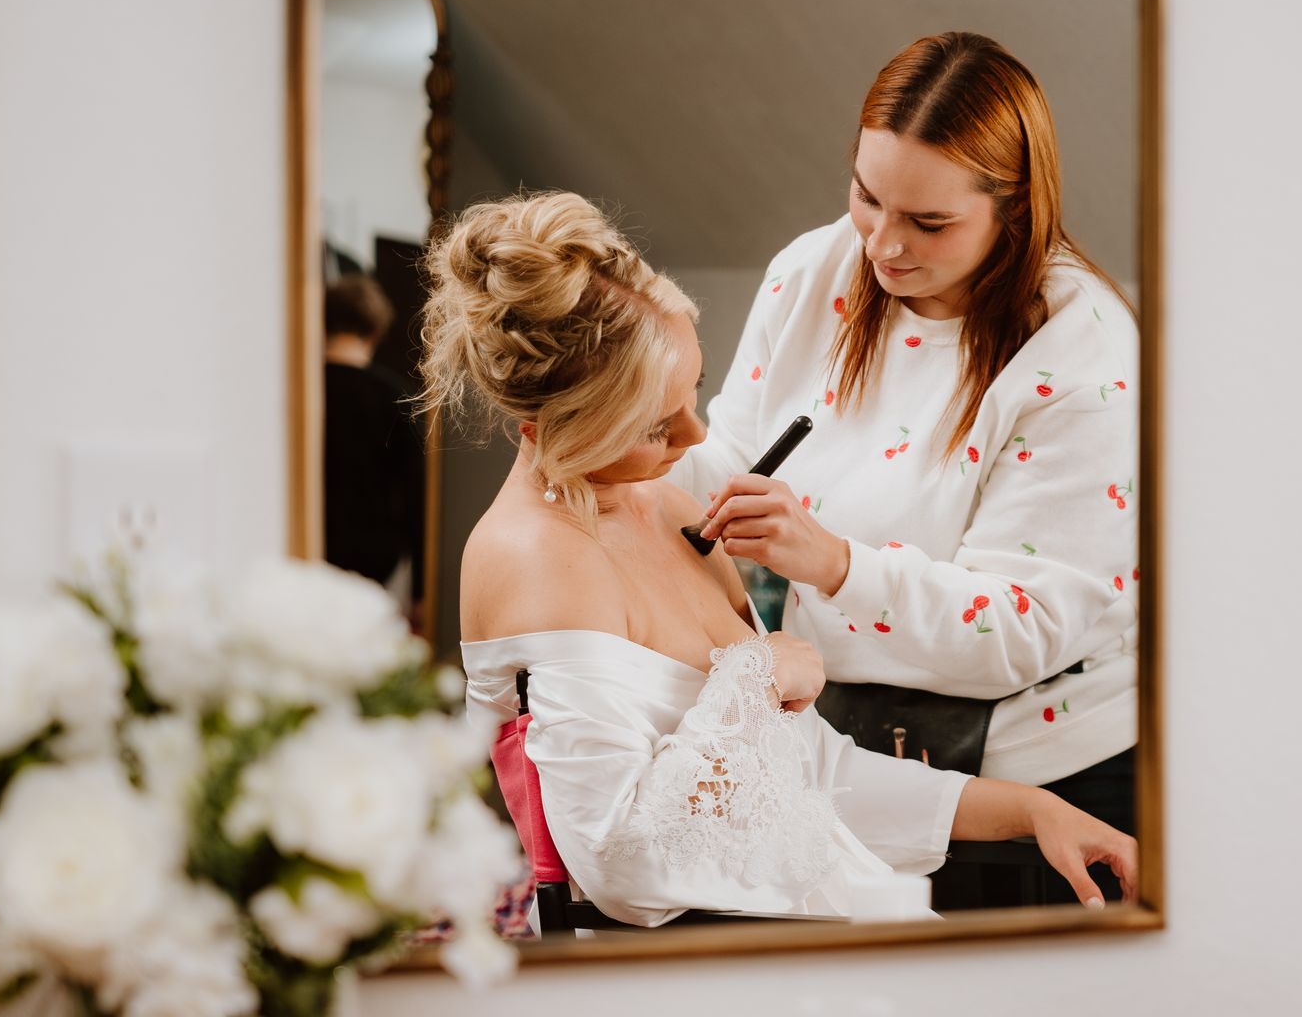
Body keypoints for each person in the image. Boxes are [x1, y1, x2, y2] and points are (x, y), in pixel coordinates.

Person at [424, 191, 1136, 927]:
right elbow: (623, 863)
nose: (696, 440)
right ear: (545, 425)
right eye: (655, 425)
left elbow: (802, 781)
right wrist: (759, 677)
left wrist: (1029, 810)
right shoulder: (535, 561)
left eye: (692, 393)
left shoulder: (667, 509)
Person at [670, 33, 1140, 903]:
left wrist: (833, 565)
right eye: (866, 196)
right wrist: (633, 451)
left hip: (1047, 773)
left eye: (929, 223)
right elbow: (727, 459)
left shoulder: (1083, 356)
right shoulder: (816, 272)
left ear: (1017, 208)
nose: (884, 246)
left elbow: (1022, 629)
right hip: (859, 749)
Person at [321, 275, 423, 595]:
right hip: (375, 557)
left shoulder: (300, 392)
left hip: (314, 543)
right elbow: (416, 495)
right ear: (376, 332)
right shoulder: (395, 398)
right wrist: (422, 587)